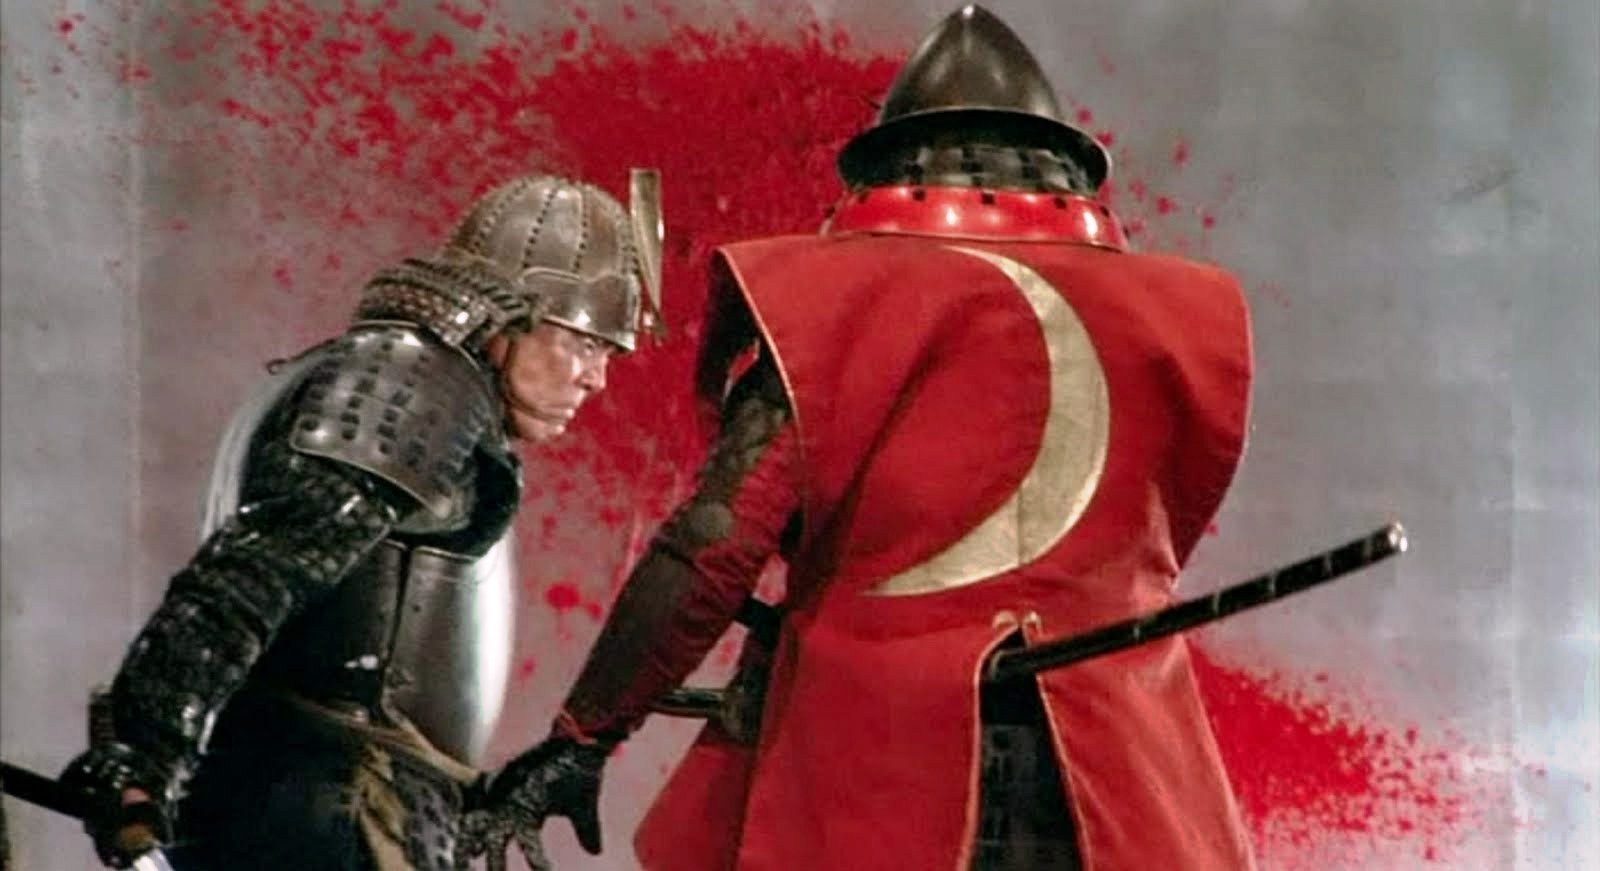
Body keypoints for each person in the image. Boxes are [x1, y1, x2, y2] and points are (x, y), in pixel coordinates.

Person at [491, 5, 1259, 870]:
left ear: (887, 161)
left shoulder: (831, 301)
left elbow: (714, 545)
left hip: (880, 763)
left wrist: (584, 733)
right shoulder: (1175, 314)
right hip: (1119, 769)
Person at [59, 171, 665, 871]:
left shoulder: (393, 384)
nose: (596, 377)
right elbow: (247, 579)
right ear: (508, 316)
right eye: (585, 343)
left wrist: (456, 786)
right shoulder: (411, 385)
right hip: (330, 816)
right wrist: (139, 757)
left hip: (342, 807)